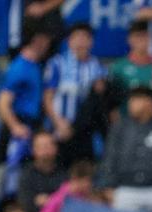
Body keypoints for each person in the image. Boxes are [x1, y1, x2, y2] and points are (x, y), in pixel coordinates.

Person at [98, 86, 152, 212]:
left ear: (149, 102)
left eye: (136, 100)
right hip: (125, 189)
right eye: (131, 100)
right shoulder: (120, 127)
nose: (131, 104)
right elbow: (110, 157)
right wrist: (107, 185)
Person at [42, 22, 105, 165]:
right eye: (76, 38)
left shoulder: (97, 66)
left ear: (91, 41)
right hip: (60, 128)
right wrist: (58, 123)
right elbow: (48, 97)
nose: (81, 42)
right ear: (69, 41)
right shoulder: (57, 64)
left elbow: (99, 99)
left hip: (84, 132)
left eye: (85, 38)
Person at [0, 31, 50, 196]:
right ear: (36, 41)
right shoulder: (20, 67)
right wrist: (15, 126)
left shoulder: (35, 65)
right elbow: (3, 101)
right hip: (20, 127)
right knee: (14, 179)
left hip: (32, 124)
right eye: (44, 40)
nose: (47, 45)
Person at [110, 21, 152, 109]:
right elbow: (113, 101)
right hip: (127, 119)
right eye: (137, 36)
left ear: (150, 38)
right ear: (129, 39)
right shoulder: (118, 67)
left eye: (144, 36)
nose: (141, 40)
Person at [17, 131, 65, 212]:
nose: (45, 150)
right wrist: (54, 202)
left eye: (48, 146)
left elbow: (68, 204)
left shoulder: (64, 174)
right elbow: (25, 205)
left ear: (56, 148)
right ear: (33, 150)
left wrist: (48, 202)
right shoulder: (26, 174)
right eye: (41, 146)